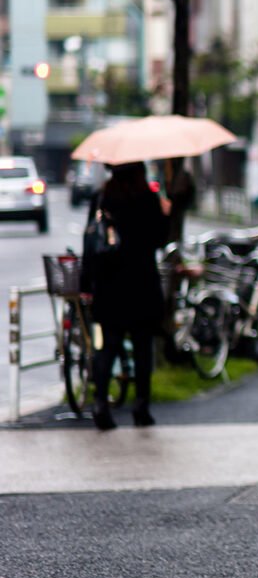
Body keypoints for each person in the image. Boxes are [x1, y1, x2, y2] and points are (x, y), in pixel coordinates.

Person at [83, 161, 169, 430]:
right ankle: (141, 407)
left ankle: (100, 404)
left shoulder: (102, 198)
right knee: (142, 348)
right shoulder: (148, 199)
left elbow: (91, 241)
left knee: (107, 347)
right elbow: (159, 240)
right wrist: (165, 213)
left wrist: (87, 283)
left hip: (110, 284)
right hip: (141, 282)